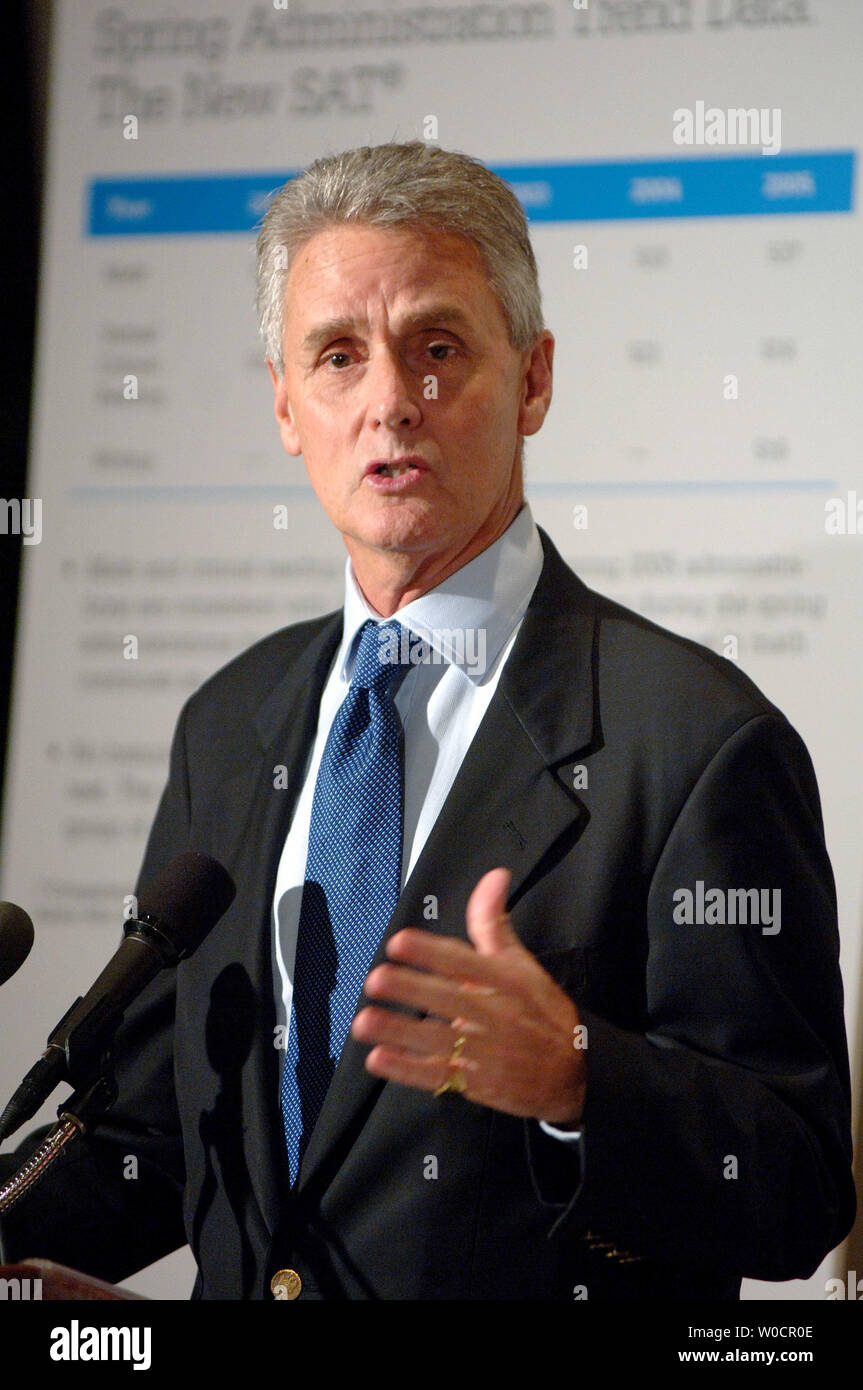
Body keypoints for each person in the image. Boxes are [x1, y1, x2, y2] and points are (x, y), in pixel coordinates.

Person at [0, 142, 855, 1300]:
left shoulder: (696, 743)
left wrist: (575, 1080)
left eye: (438, 348)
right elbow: (160, 1131)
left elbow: (795, 1186)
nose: (391, 401)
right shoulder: (229, 721)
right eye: (338, 356)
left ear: (535, 378)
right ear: (287, 406)